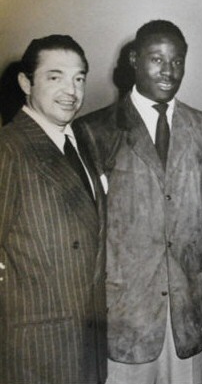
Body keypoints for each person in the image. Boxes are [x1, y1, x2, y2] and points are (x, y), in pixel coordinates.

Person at [75, 20, 202, 384]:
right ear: (135, 60)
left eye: (177, 61)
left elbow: (198, 212)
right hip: (125, 313)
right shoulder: (95, 129)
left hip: (186, 313)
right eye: (156, 59)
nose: (169, 71)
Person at [0, 35, 107, 383]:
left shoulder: (82, 143)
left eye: (79, 78)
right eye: (55, 76)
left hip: (86, 342)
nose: (71, 90)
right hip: (35, 349)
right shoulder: (10, 148)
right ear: (25, 82)